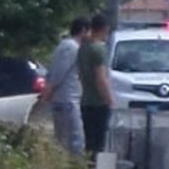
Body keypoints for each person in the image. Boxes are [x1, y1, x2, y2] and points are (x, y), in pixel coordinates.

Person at [40, 16, 89, 155]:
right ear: (83, 30)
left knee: (63, 139)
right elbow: (58, 73)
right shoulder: (71, 47)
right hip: (67, 100)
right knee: (75, 139)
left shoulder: (64, 45)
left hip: (64, 99)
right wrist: (48, 92)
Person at [78, 13, 115, 158]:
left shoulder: (83, 48)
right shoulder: (99, 48)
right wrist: (109, 99)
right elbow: (101, 78)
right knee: (99, 144)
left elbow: (80, 75)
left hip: (86, 100)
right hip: (98, 103)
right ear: (105, 28)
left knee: (89, 143)